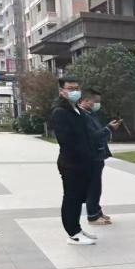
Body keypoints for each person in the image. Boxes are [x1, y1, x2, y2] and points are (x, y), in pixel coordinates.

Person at [51, 77, 98, 246]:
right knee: (71, 198)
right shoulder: (60, 112)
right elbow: (66, 141)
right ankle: (73, 234)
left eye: (77, 88)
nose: (75, 91)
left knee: (78, 198)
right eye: (70, 88)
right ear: (61, 91)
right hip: (71, 163)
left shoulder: (76, 109)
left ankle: (77, 229)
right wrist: (82, 155)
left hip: (83, 162)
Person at [78, 88, 120, 227]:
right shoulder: (82, 116)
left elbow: (98, 132)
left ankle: (97, 211)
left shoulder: (90, 114)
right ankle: (93, 216)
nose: (97, 104)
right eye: (95, 101)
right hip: (91, 156)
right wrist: (109, 129)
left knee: (96, 186)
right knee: (93, 187)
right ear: (85, 100)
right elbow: (92, 137)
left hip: (97, 155)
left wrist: (107, 128)